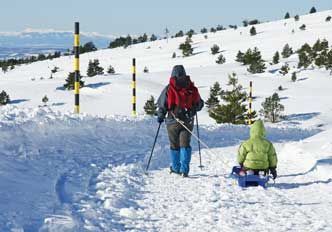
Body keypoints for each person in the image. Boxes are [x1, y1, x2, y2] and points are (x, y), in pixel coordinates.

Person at [157, 65, 204, 177]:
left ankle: (175, 168)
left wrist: (160, 116)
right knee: (185, 144)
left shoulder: (169, 88)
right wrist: (192, 110)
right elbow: (200, 104)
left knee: (174, 145)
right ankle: (184, 170)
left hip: (172, 121)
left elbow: (162, 104)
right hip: (187, 120)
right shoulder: (191, 87)